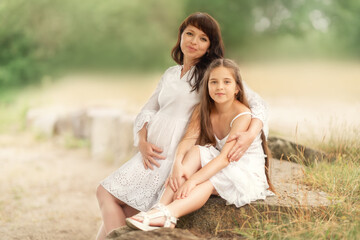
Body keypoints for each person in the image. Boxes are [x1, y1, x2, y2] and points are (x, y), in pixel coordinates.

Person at [96, 12, 268, 239]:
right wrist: (142, 140)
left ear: (210, 46)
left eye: (203, 38)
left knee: (105, 193)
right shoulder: (170, 73)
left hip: (175, 155)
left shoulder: (212, 74)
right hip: (152, 153)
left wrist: (251, 133)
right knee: (122, 207)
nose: (194, 41)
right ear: (180, 36)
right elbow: (148, 109)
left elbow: (256, 103)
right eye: (189, 34)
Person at [126, 58, 275, 231]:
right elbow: (189, 140)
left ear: (237, 88)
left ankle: (168, 213)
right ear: (207, 86)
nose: (220, 87)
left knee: (209, 181)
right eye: (214, 82)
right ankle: (157, 209)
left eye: (227, 82)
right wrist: (177, 164)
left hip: (244, 170)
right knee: (196, 150)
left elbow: (225, 159)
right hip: (223, 162)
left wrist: (192, 181)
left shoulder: (242, 114)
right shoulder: (202, 109)